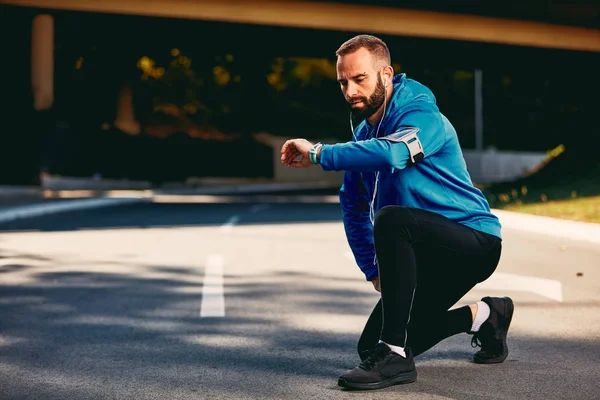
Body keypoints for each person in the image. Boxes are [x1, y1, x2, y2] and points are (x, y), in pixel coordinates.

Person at [280, 34, 514, 391]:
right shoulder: (363, 135)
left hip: (472, 241)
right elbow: (353, 205)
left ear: (385, 74)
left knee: (392, 218)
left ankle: (396, 357)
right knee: (366, 349)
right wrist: (373, 268)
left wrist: (317, 154)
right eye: (343, 82)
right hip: (424, 256)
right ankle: (487, 316)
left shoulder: (422, 113)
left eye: (360, 79)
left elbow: (394, 154)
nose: (350, 91)